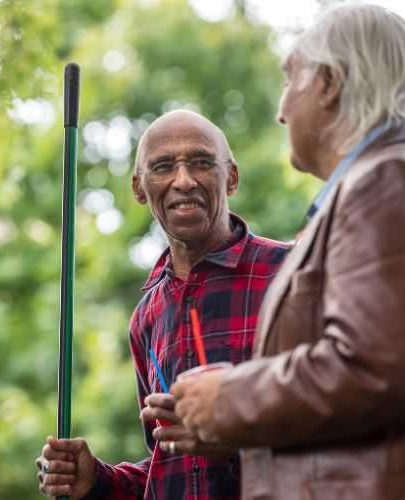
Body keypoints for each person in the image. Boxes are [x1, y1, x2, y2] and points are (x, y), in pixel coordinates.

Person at [170, 4, 405, 500]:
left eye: (289, 79)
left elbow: (372, 369)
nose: (280, 110)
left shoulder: (386, 184)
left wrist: (228, 399)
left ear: (328, 83)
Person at [35, 110, 289, 499]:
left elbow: (343, 419)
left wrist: (234, 438)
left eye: (202, 163)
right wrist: (98, 481)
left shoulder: (291, 273)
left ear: (232, 177)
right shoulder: (146, 315)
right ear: (139, 188)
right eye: (163, 167)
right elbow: (170, 465)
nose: (184, 181)